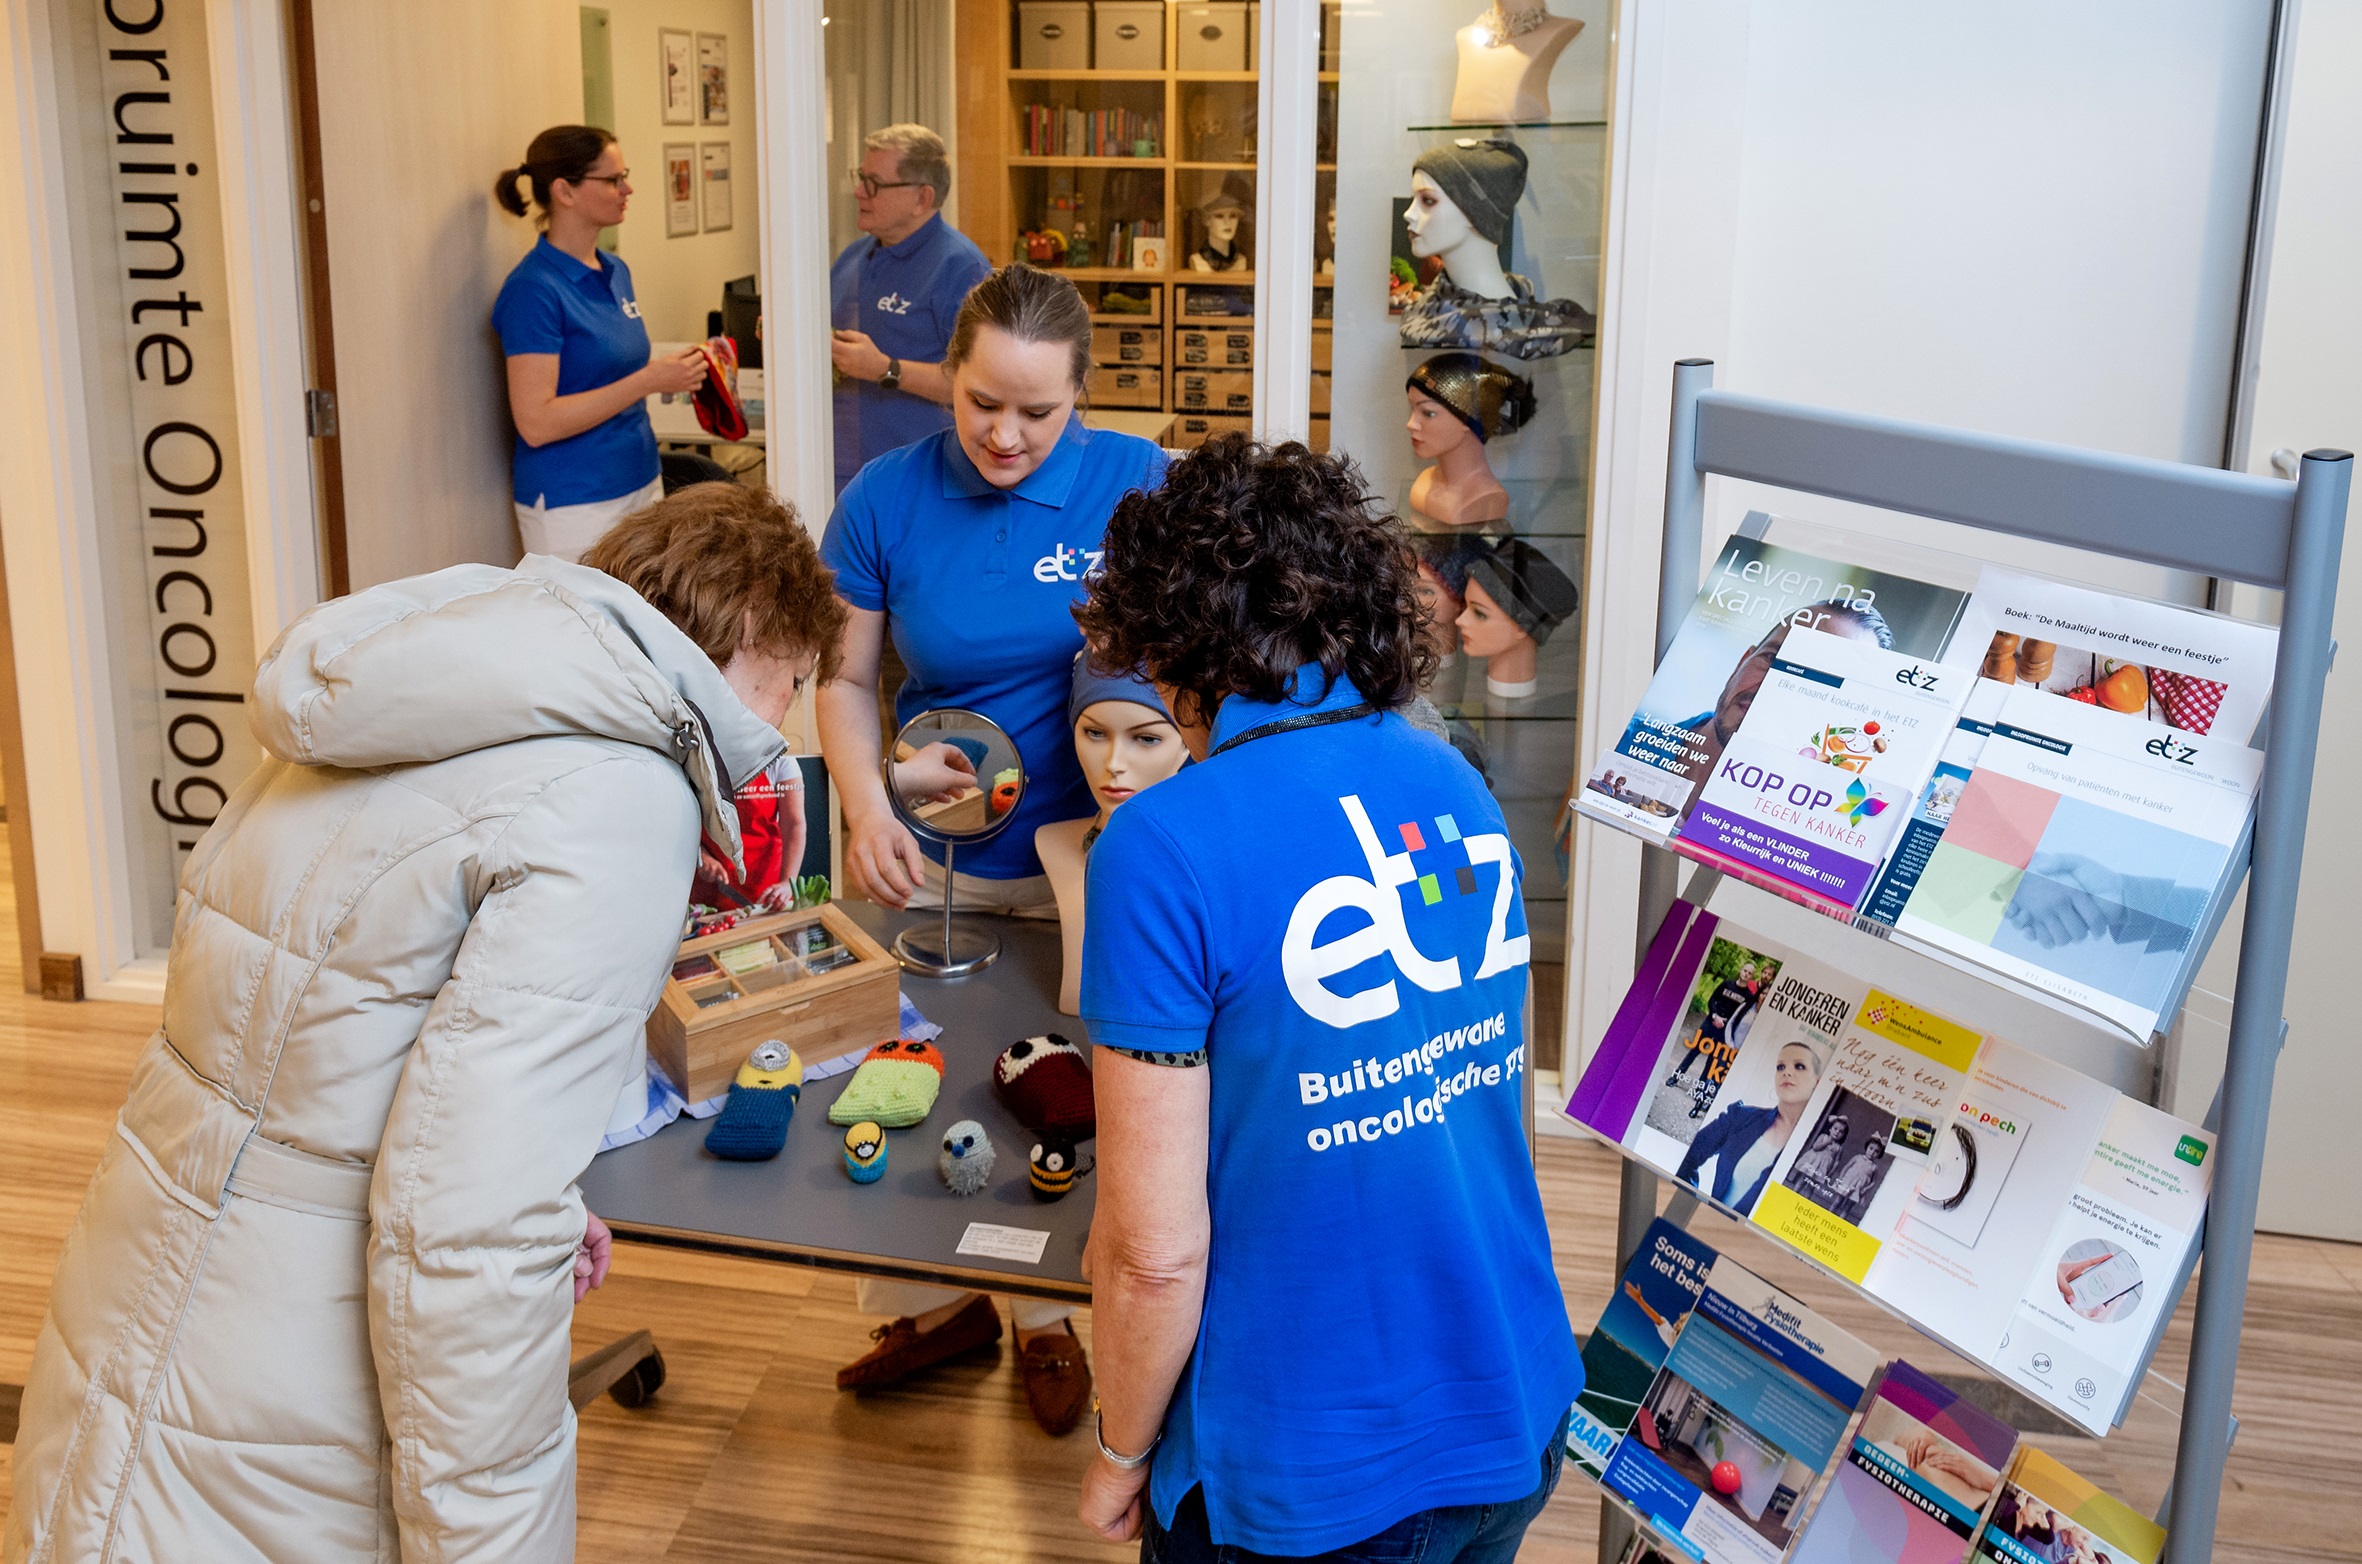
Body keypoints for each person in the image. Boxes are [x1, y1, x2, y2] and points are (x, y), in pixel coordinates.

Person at [4, 485, 845, 1563]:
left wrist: (526, 1206)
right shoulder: (626, 795)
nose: (774, 729)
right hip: (295, 1386)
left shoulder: (404, 696)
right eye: (787, 690)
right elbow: (463, 1240)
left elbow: (317, 1044)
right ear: (747, 640)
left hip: (143, 1275)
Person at [1071, 435, 1580, 1558]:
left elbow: (1152, 1252)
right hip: (1515, 1394)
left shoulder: (1159, 845)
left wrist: (1117, 1452)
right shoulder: (1444, 773)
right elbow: (1489, 1094)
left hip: (1315, 1474)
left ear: (1172, 636)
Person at [816, 263, 1165, 1433]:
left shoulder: (1136, 485)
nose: (1004, 434)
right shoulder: (882, 496)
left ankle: (1046, 1316)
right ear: (947, 378)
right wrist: (866, 801)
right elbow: (846, 675)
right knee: (924, 1080)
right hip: (939, 863)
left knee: (1070, 1096)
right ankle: (941, 1303)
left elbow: (1205, 671)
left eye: (1036, 411)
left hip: (1098, 870)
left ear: (1081, 400)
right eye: (981, 403)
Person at [493, 125, 711, 561]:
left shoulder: (615, 270)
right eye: (612, 180)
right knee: (582, 627)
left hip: (640, 479)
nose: (626, 188)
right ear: (564, 192)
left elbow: (615, 371)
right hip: (575, 500)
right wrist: (647, 380)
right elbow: (536, 422)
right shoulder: (533, 288)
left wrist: (673, 374)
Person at [829, 124, 993, 491]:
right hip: (842, 467)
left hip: (919, 478)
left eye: (873, 182)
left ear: (922, 198)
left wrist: (886, 369)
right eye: (860, 178)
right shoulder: (852, 258)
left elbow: (984, 386)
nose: (858, 192)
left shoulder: (962, 267)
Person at [1677, 1041, 1825, 1216]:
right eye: (1780, 1067)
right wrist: (1690, 1204)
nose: (1787, 1072)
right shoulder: (1740, 1116)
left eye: (1799, 1066)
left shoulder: (1820, 1149)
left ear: (1817, 1082)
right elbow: (1687, 1156)